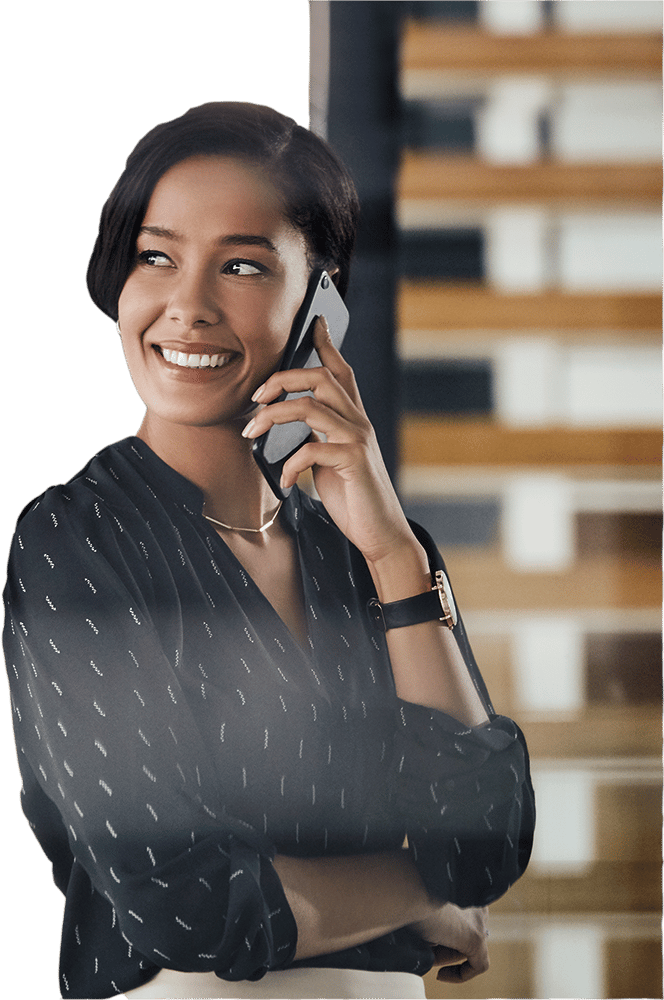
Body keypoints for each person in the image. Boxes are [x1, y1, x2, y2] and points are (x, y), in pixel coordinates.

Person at [2, 102, 534, 1000]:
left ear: (319, 305)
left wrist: (398, 558)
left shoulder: (376, 550)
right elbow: (189, 907)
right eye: (155, 256)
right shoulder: (74, 541)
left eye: (242, 265)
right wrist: (421, 901)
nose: (188, 306)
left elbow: (482, 850)